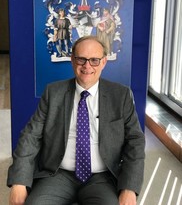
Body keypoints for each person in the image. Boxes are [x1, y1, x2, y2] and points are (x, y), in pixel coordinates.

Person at [7, 35, 145, 205]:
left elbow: (135, 142)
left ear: (103, 62)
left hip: (103, 177)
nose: (87, 66)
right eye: (81, 59)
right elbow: (30, 137)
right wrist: (19, 182)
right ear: (72, 60)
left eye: (94, 60)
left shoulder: (121, 95)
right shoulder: (53, 92)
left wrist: (129, 188)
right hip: (58, 174)